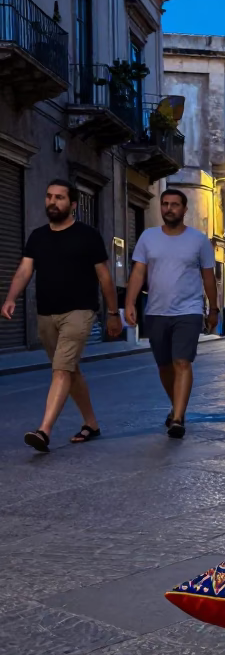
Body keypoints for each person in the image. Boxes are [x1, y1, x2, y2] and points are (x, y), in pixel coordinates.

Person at [2, 179, 122, 451]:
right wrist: (10, 298)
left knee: (61, 369)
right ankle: (91, 423)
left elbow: (104, 277)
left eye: (59, 197)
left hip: (79, 311)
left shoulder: (87, 235)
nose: (52, 202)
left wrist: (113, 313)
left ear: (73, 204)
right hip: (46, 314)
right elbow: (24, 270)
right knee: (69, 370)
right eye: (49, 197)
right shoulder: (37, 237)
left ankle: (44, 431)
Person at [125, 188, 218, 439]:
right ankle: (177, 405)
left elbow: (209, 278)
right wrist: (130, 303)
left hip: (188, 311)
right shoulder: (148, 237)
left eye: (175, 204)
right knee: (164, 366)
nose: (169, 208)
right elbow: (137, 273)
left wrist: (213, 308)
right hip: (156, 311)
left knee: (182, 362)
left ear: (184, 210)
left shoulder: (199, 241)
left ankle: (177, 418)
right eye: (165, 204)